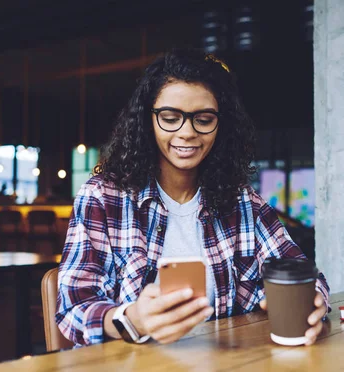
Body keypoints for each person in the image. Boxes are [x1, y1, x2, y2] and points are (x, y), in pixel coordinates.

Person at [56, 48, 330, 347]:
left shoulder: (241, 201)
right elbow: (74, 307)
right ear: (147, 121)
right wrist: (131, 319)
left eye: (203, 119)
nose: (187, 132)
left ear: (220, 125)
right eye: (170, 117)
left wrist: (312, 299)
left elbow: (298, 270)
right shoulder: (104, 197)